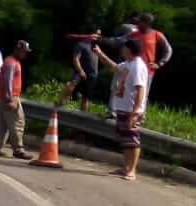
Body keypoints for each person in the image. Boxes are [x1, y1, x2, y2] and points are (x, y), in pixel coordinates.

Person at [96, 40, 149, 181]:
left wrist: (136, 110)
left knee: (133, 140)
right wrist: (100, 54)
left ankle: (132, 170)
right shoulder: (128, 64)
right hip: (123, 108)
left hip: (131, 109)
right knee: (125, 140)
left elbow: (141, 89)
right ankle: (126, 167)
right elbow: (114, 68)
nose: (122, 50)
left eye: (124, 48)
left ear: (130, 49)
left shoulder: (138, 66)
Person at [0, 40, 34, 160]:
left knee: (2, 125)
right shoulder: (11, 63)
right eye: (24, 51)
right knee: (18, 122)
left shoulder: (10, 61)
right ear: (18, 50)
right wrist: (9, 98)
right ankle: (18, 149)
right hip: (10, 97)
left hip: (4, 97)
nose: (25, 54)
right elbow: (7, 80)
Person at [60, 29, 101, 112]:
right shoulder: (81, 45)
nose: (98, 36)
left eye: (99, 35)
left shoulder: (96, 47)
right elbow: (76, 59)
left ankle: (83, 114)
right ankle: (60, 103)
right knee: (71, 84)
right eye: (96, 34)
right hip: (80, 72)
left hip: (92, 75)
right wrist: (81, 70)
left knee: (86, 97)